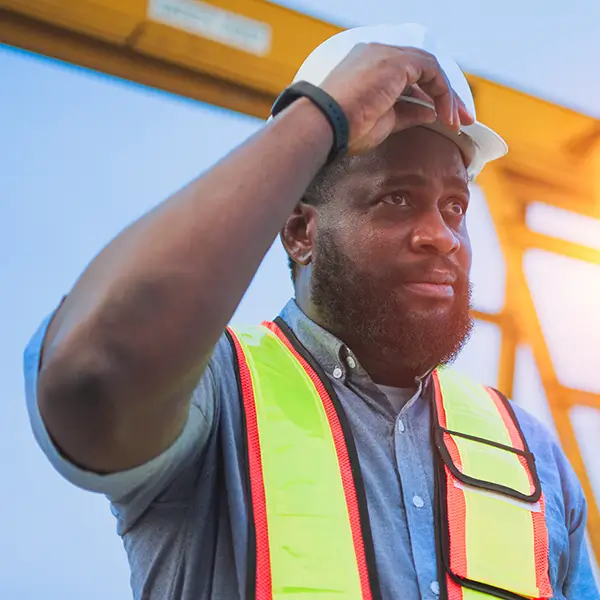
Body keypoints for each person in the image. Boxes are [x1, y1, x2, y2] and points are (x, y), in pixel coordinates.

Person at [24, 23, 598, 600]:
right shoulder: (216, 394)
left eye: (455, 205)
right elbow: (91, 376)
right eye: (396, 197)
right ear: (300, 230)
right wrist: (322, 115)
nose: (442, 236)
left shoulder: (533, 453)